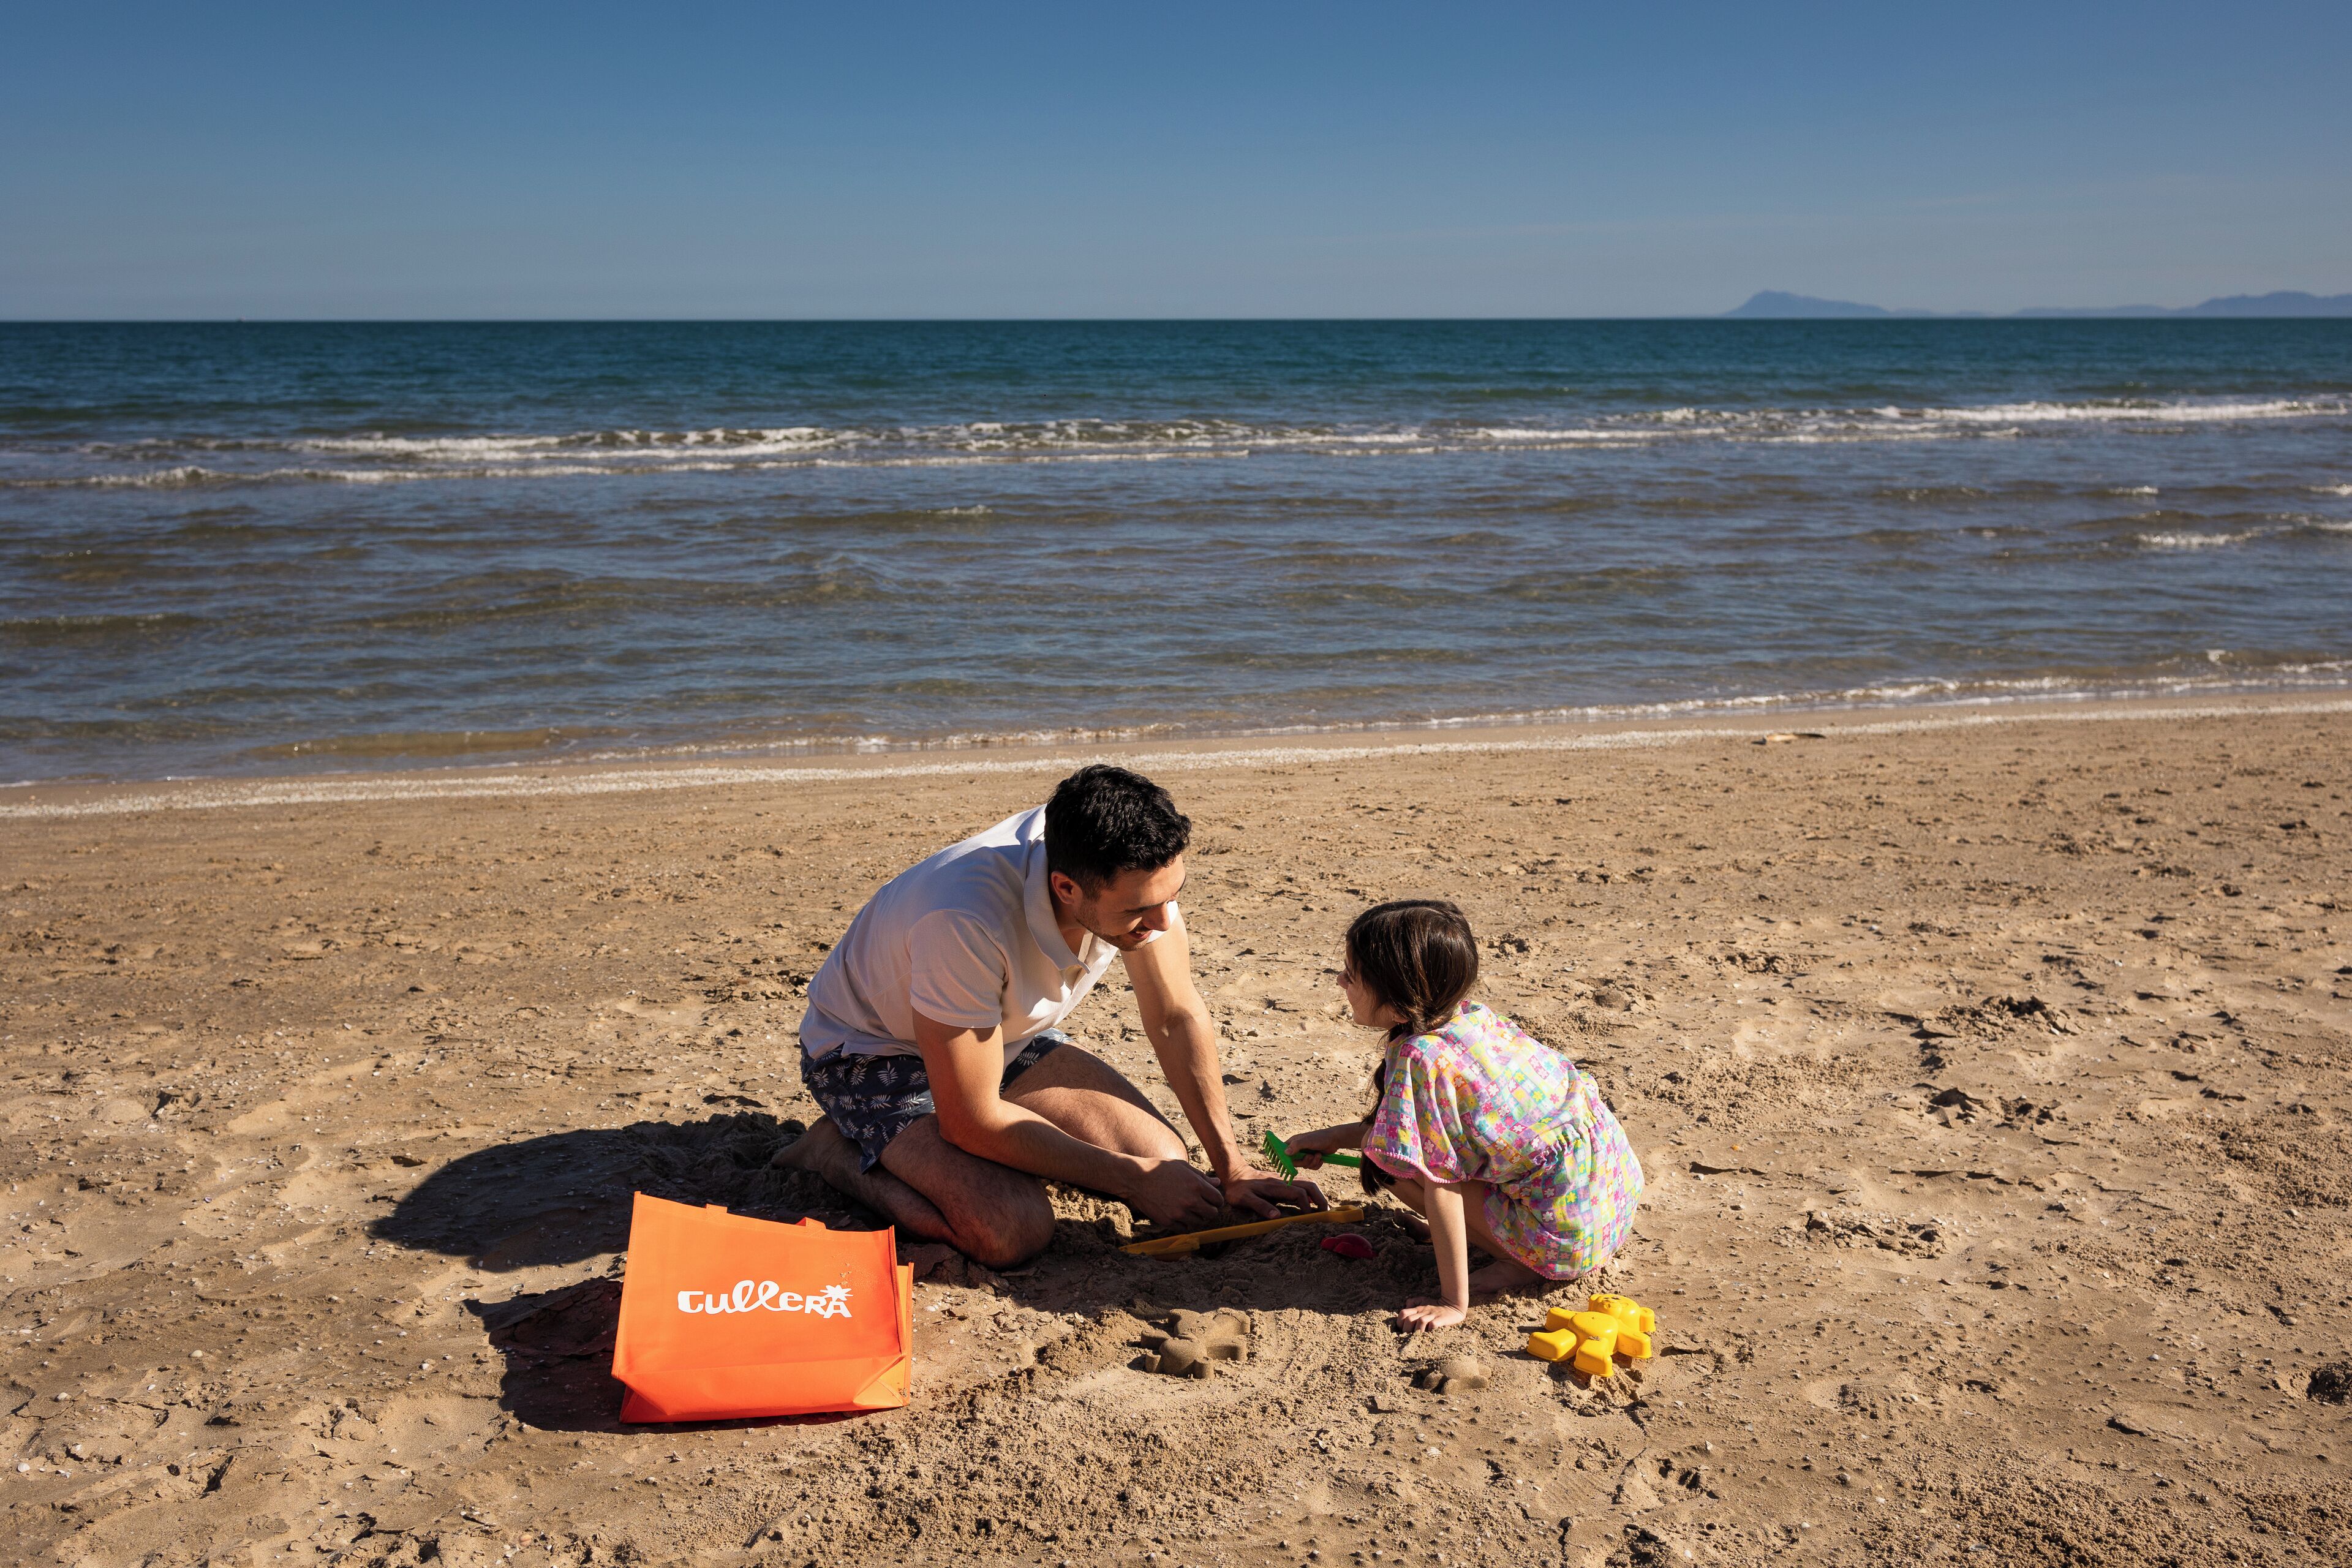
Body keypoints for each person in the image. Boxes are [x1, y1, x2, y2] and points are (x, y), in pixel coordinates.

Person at [772, 764, 1323, 1268]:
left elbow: (1175, 1017)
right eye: (1138, 910)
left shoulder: (1129, 879)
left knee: (1165, 1155)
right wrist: (1133, 1183)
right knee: (1010, 1229)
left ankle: (949, 1150)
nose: (1162, 921)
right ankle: (835, 1153)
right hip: (870, 1053)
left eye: (1171, 896)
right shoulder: (963, 920)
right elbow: (970, 1120)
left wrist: (1232, 1166)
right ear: (1065, 887)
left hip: (1001, 1037)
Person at [1283, 899, 1643, 1332]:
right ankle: (1487, 1241)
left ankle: (1518, 1263)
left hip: (1564, 1244)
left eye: (1352, 975)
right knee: (1388, 1144)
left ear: (1398, 1005)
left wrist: (1453, 1303)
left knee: (1392, 1161)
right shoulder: (1470, 1017)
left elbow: (1439, 1181)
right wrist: (1333, 1137)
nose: (1340, 981)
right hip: (1607, 1203)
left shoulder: (1423, 1058)